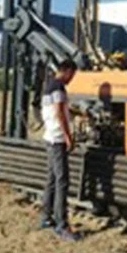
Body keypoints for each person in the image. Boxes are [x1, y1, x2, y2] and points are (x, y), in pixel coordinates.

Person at [40, 59, 81, 241]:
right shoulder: (58, 88)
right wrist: (68, 137)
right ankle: (61, 225)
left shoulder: (50, 85)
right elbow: (58, 112)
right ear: (67, 71)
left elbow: (59, 111)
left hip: (49, 137)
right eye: (73, 75)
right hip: (57, 140)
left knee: (51, 179)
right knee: (62, 180)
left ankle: (46, 217)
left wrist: (76, 114)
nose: (72, 79)